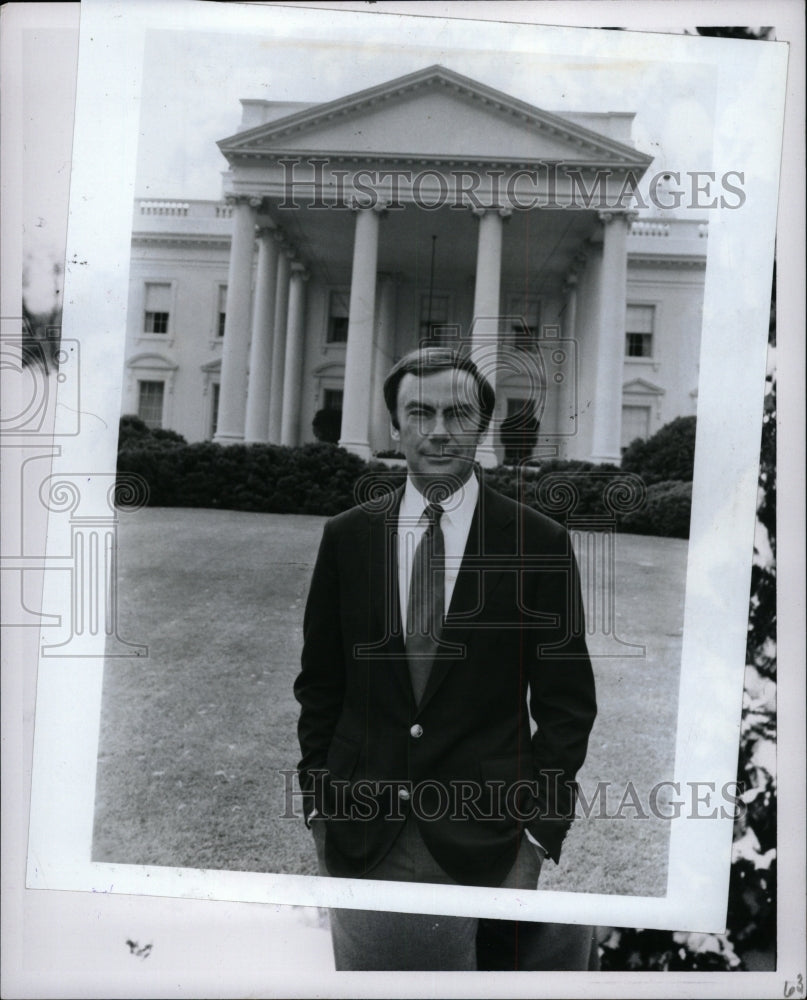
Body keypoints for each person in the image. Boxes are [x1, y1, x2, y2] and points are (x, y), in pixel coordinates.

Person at [294, 346, 598, 970]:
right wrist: (320, 804)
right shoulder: (347, 538)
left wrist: (539, 834)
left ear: (482, 425)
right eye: (419, 412)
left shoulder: (538, 544)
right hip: (365, 835)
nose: (438, 430)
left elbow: (568, 706)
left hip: (491, 837)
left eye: (457, 414)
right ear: (394, 425)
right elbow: (320, 686)